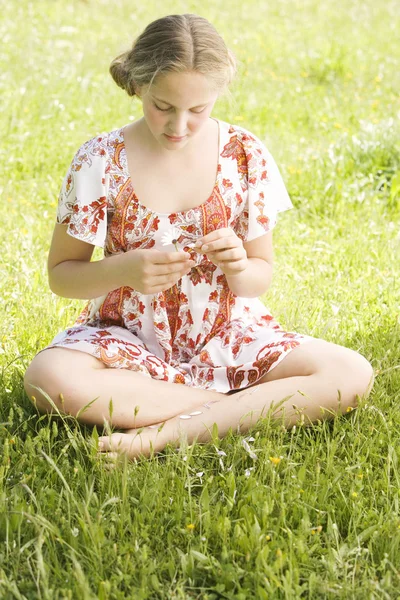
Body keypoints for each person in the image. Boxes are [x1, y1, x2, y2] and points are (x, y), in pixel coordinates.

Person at [24, 14, 374, 460]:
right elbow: (62, 275)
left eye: (198, 110)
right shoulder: (100, 160)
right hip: (127, 337)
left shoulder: (244, 155)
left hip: (229, 335)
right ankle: (235, 412)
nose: (179, 126)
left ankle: (162, 434)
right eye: (163, 107)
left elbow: (259, 277)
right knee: (47, 376)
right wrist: (125, 270)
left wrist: (239, 267)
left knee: (351, 372)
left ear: (217, 96)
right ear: (137, 86)